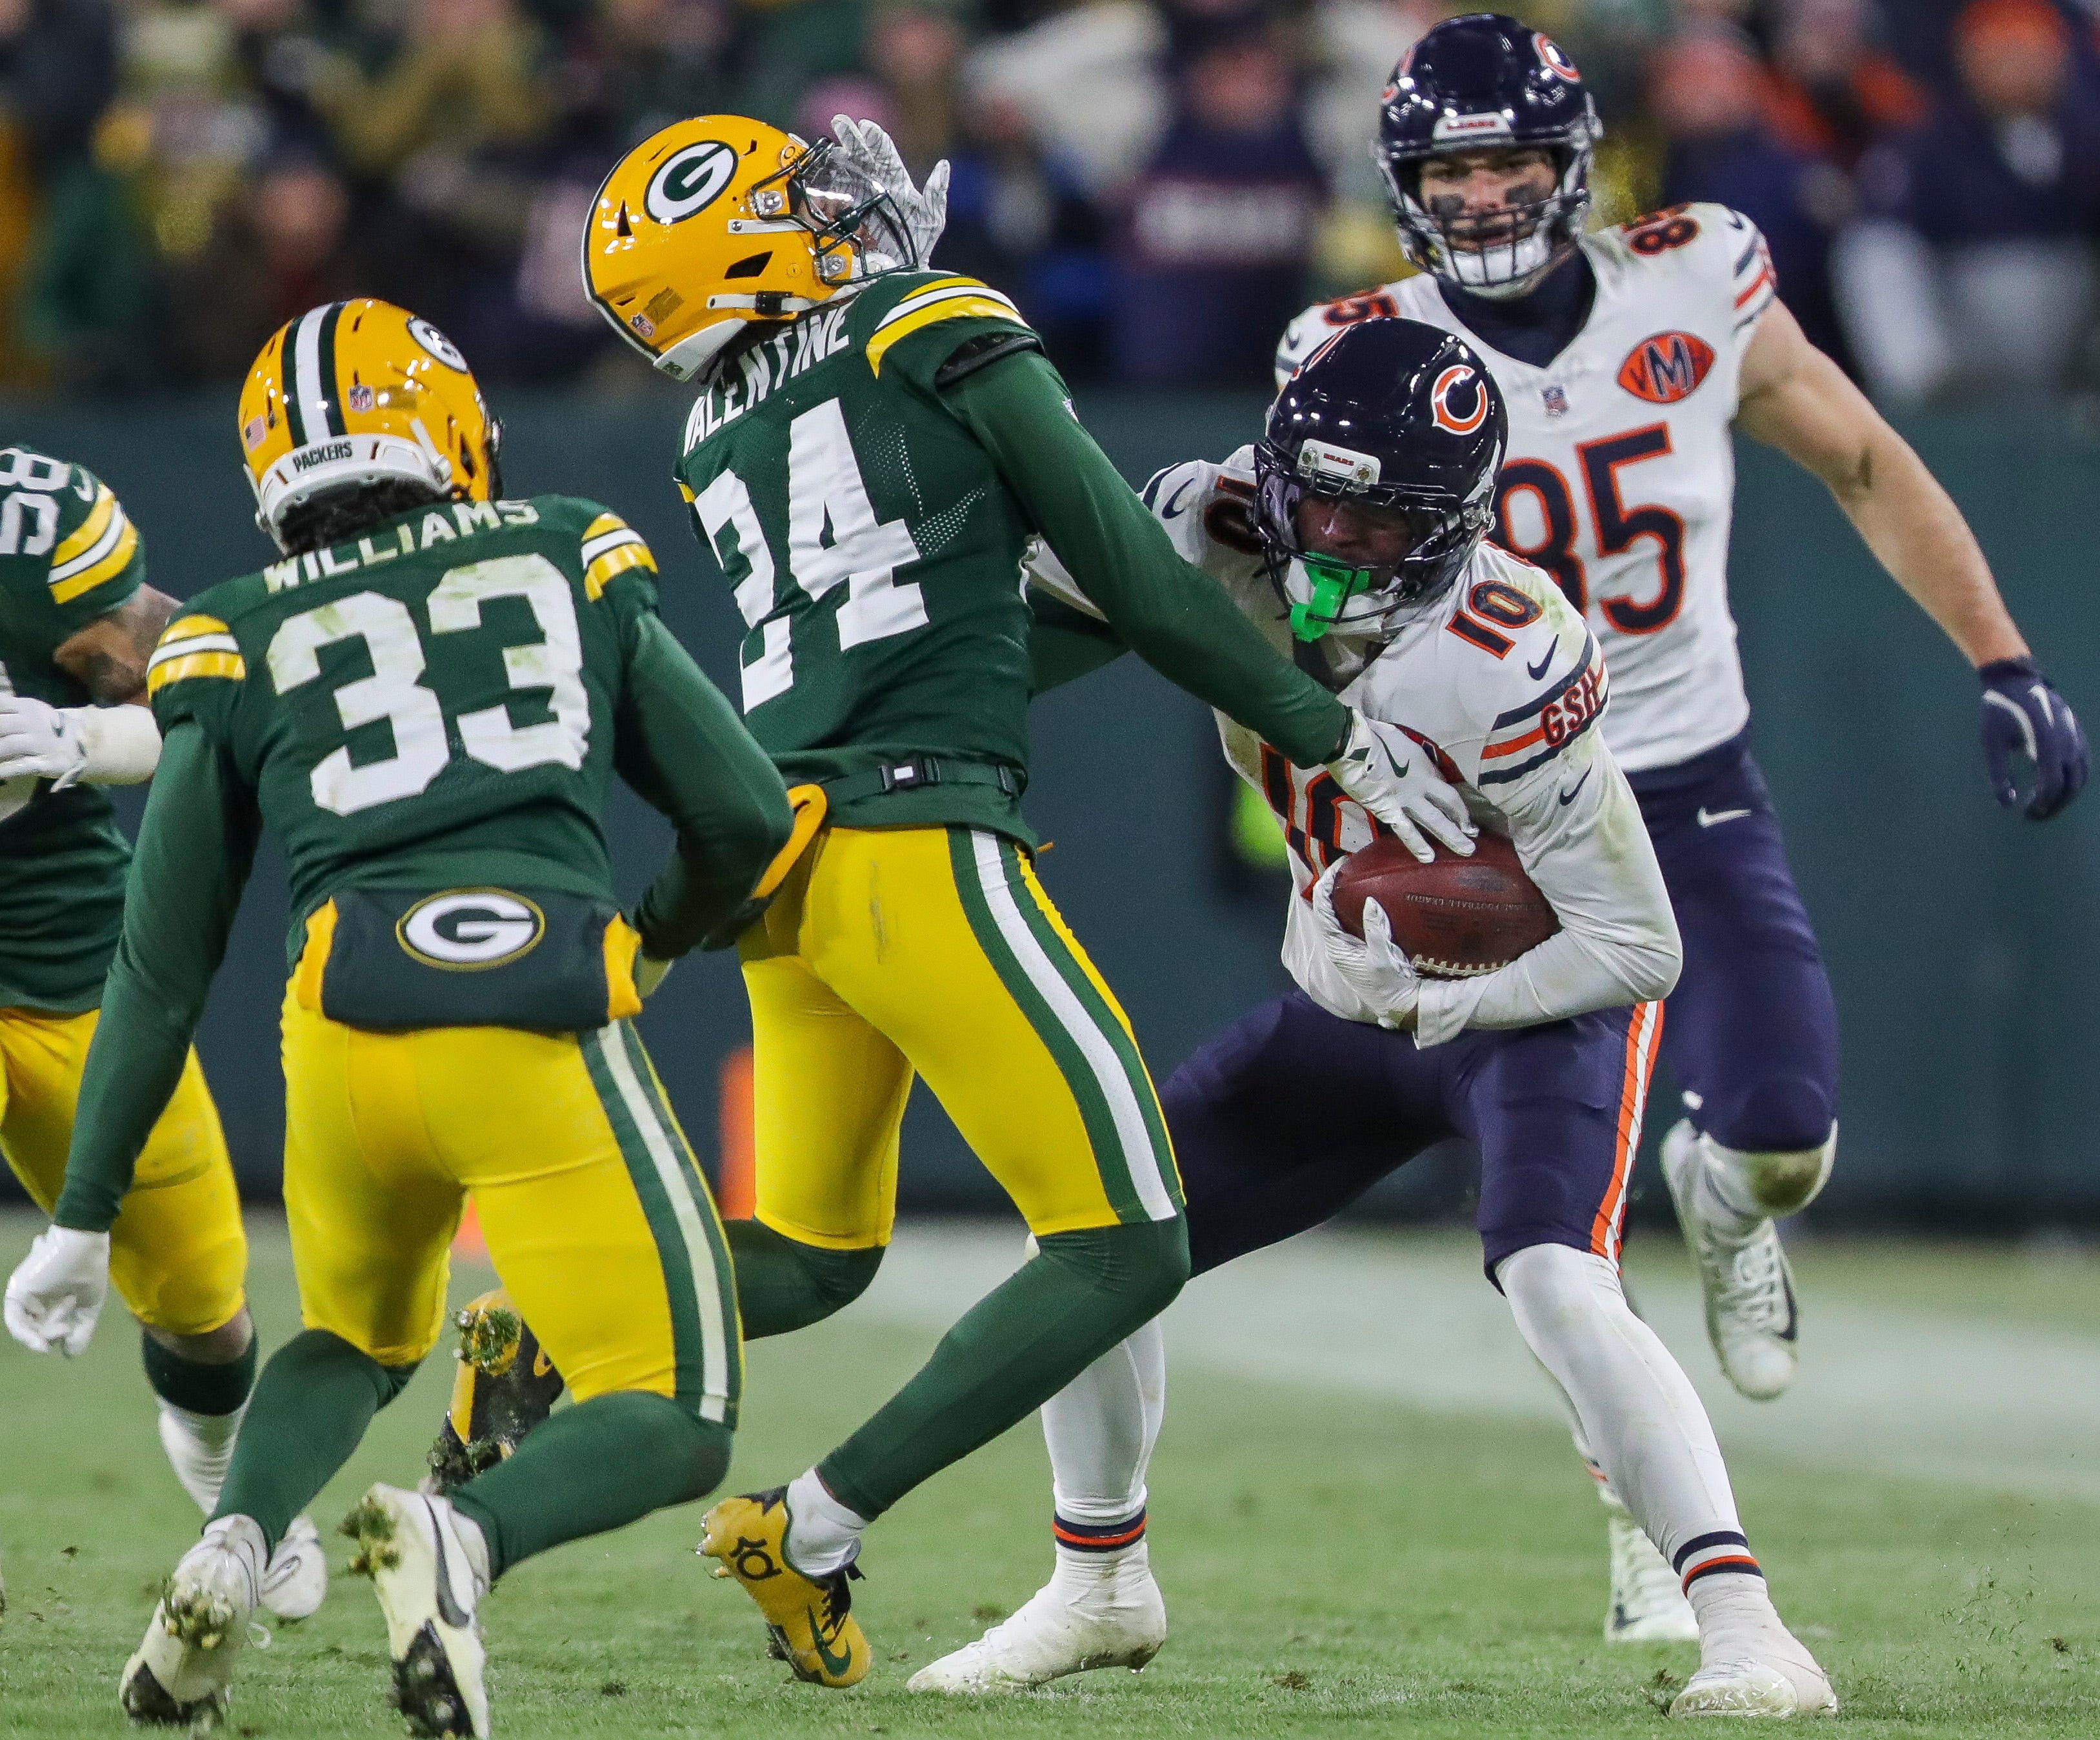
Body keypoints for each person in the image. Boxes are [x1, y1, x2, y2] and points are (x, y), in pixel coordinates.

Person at [571, 112, 1449, 1686]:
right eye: (803, 205)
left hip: (792, 851)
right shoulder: (930, 319)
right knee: (1126, 1240)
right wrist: (1324, 726)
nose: (851, 209)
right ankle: (814, 1523)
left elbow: (979, 628)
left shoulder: (721, 424)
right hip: (917, 837)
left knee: (820, 1251)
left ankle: (549, 1321)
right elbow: (1118, 560)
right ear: (751, 250)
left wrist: (1136, 591)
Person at [1268, 11, 2085, 1635]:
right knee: (1559, 1213)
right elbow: (1306, 593)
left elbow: (1857, 457)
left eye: (1510, 160)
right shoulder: (1348, 341)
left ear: (1574, 161)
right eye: (1453, 167)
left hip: (1692, 786)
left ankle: (1726, 1201)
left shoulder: (1693, 275)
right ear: (1403, 185)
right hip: (1503, 819)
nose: (1487, 195)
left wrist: (1998, 652)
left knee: (1781, 1132)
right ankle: (1647, 1536)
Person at [915, 316, 1836, 1719]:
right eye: (1316, 499)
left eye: (1376, 516)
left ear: (1454, 522)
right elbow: (1007, 621)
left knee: (1553, 1279)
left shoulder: (1501, 649)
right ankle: (1097, 1579)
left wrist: (1455, 997)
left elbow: (1637, 945)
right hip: (1344, 994)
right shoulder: (1207, 523)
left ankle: (1749, 1627)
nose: (1332, 539)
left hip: (1537, 1007)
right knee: (1102, 1228)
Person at [2, 298, 794, 1736]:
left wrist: (78, 1215)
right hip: (531, 1012)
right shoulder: (564, 543)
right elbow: (744, 814)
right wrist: (654, 939)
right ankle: (459, 1537)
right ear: (449, 430)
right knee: (675, 1410)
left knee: (353, 1339)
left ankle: (230, 1548)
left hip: (342, 1032)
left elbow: (160, 964)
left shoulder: (234, 629)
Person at [0, 446, 326, 1624]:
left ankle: (219, 1468)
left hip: (67, 968)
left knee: (201, 1308)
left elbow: (183, 685)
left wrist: (71, 739)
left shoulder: (39, 529)